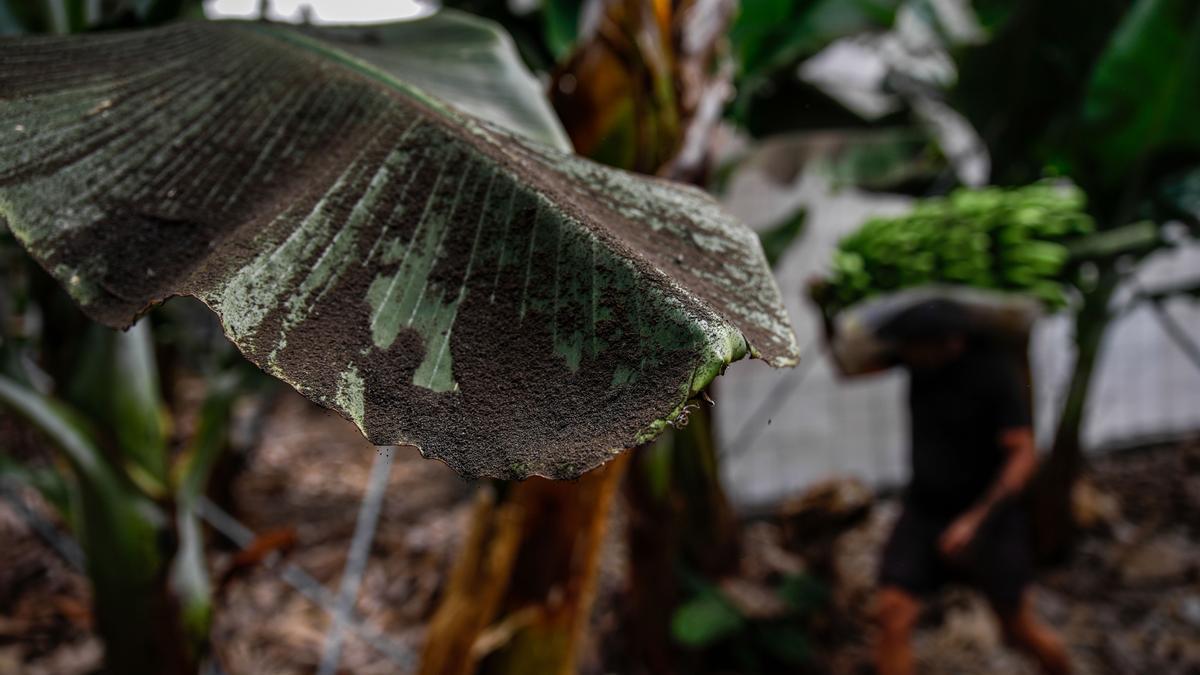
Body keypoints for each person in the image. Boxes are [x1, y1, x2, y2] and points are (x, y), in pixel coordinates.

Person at [816, 295, 1071, 675]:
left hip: (990, 518)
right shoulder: (920, 363)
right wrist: (825, 312)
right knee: (892, 615)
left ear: (950, 341)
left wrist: (977, 520)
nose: (905, 351)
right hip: (925, 511)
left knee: (1017, 628)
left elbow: (1023, 454)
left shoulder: (993, 374)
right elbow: (849, 369)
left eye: (912, 345)